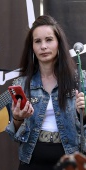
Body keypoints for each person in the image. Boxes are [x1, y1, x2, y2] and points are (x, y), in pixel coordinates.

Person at [6, 15, 86, 170]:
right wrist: (17, 118)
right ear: (32, 47)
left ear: (58, 43)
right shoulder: (21, 84)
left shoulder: (80, 79)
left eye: (49, 40)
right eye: (37, 41)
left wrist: (84, 113)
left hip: (71, 159)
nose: (43, 46)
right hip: (32, 159)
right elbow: (14, 134)